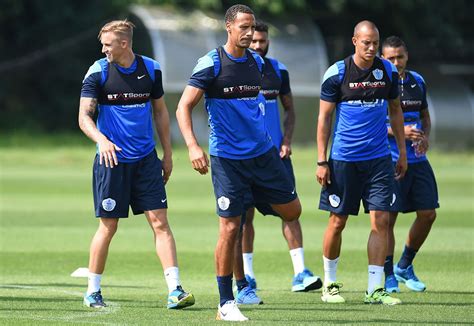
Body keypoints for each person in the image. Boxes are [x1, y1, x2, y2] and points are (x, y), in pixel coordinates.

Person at [176, 4, 301, 321]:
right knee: (230, 228)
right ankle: (225, 302)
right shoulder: (212, 63)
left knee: (293, 210)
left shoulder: (258, 63)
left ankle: (254, 198)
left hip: (264, 156)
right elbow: (183, 108)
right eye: (243, 27)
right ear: (229, 27)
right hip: (228, 160)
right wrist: (193, 146)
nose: (249, 33)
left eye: (252, 27)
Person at [78, 20, 194, 309]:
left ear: (124, 44)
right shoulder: (98, 71)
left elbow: (160, 113)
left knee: (160, 223)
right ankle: (92, 291)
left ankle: (175, 290)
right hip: (111, 162)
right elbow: (84, 117)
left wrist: (167, 154)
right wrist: (101, 140)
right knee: (108, 226)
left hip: (145, 161)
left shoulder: (151, 69)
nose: (103, 49)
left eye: (108, 44)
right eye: (103, 44)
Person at [315, 20, 407, 305]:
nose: (371, 48)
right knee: (338, 221)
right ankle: (329, 284)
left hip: (378, 160)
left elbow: (395, 111)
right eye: (366, 42)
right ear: (354, 40)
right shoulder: (338, 73)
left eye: (375, 43)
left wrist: (401, 152)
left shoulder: (387, 71)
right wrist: (322, 160)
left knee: (380, 220)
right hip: (343, 160)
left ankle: (374, 288)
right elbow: (324, 119)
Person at [240, 20, 322, 293]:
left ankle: (301, 273)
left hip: (276, 157)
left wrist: (287, 141)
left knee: (291, 212)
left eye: (262, 41)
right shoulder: (235, 71)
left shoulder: (278, 71)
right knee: (244, 218)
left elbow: (290, 110)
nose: (258, 46)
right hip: (246, 157)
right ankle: (248, 276)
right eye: (254, 42)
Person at [381, 36, 439, 293]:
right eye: (390, 58)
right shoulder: (377, 83)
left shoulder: (418, 81)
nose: (396, 62)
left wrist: (424, 136)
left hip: (418, 160)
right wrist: (399, 131)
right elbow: (371, 124)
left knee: (428, 214)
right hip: (389, 160)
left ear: (407, 56)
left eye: (400, 57)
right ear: (383, 58)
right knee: (387, 220)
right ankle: (388, 274)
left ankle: (404, 265)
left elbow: (425, 116)